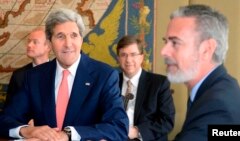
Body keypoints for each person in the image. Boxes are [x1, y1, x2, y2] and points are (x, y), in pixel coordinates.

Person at [0, 8, 128, 141]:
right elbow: (5, 121)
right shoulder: (34, 77)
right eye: (60, 36)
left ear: (81, 39)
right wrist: (28, 130)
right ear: (50, 43)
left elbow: (118, 126)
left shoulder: (104, 76)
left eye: (74, 35)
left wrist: (69, 134)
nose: (68, 44)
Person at [161, 4, 240, 141]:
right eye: (165, 42)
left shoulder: (218, 107)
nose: (164, 51)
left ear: (207, 49)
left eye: (175, 43)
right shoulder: (215, 89)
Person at [116, 35, 175, 141]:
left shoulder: (159, 83)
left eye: (133, 54)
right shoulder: (111, 82)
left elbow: (167, 121)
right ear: (118, 58)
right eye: (123, 55)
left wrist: (136, 131)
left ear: (141, 57)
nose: (128, 60)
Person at [6, 27, 51, 106]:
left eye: (35, 42)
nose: (29, 45)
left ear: (48, 46)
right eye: (29, 41)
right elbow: (9, 111)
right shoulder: (18, 76)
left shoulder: (60, 73)